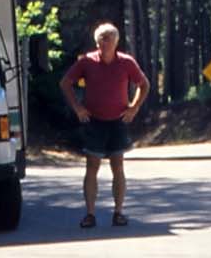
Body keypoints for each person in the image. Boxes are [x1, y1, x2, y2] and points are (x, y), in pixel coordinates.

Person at [60, 22, 150, 228]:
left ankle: (118, 212)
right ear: (97, 41)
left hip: (118, 120)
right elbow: (65, 83)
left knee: (117, 166)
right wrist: (77, 108)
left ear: (117, 41)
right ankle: (90, 214)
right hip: (94, 121)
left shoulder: (126, 62)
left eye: (110, 37)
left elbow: (144, 84)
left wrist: (134, 107)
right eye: (103, 37)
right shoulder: (87, 62)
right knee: (92, 166)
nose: (106, 41)